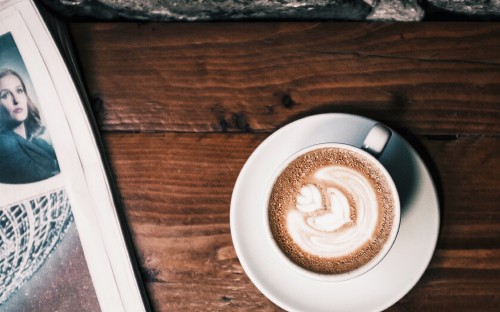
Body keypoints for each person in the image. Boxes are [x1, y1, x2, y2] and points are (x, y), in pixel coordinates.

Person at [0, 69, 60, 184]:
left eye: (19, 91)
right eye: (5, 95)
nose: (16, 100)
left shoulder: (39, 142)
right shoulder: (3, 143)